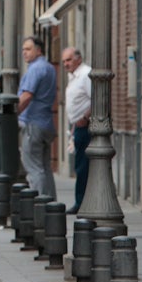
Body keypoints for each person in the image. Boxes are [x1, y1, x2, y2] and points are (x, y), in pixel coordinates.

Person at [17, 36, 58, 201]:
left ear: (38, 50)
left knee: (33, 168)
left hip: (33, 123)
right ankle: (51, 205)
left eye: (28, 49)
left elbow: (27, 95)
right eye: (23, 50)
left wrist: (13, 113)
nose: (24, 53)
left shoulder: (35, 69)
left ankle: (40, 204)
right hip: (46, 123)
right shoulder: (49, 68)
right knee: (45, 168)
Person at [62, 47, 92, 213]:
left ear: (78, 59)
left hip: (86, 127)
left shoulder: (85, 74)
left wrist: (84, 118)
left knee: (83, 166)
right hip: (77, 127)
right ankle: (80, 201)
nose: (66, 64)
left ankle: (82, 203)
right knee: (80, 165)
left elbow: (97, 99)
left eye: (69, 60)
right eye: (64, 61)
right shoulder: (73, 76)